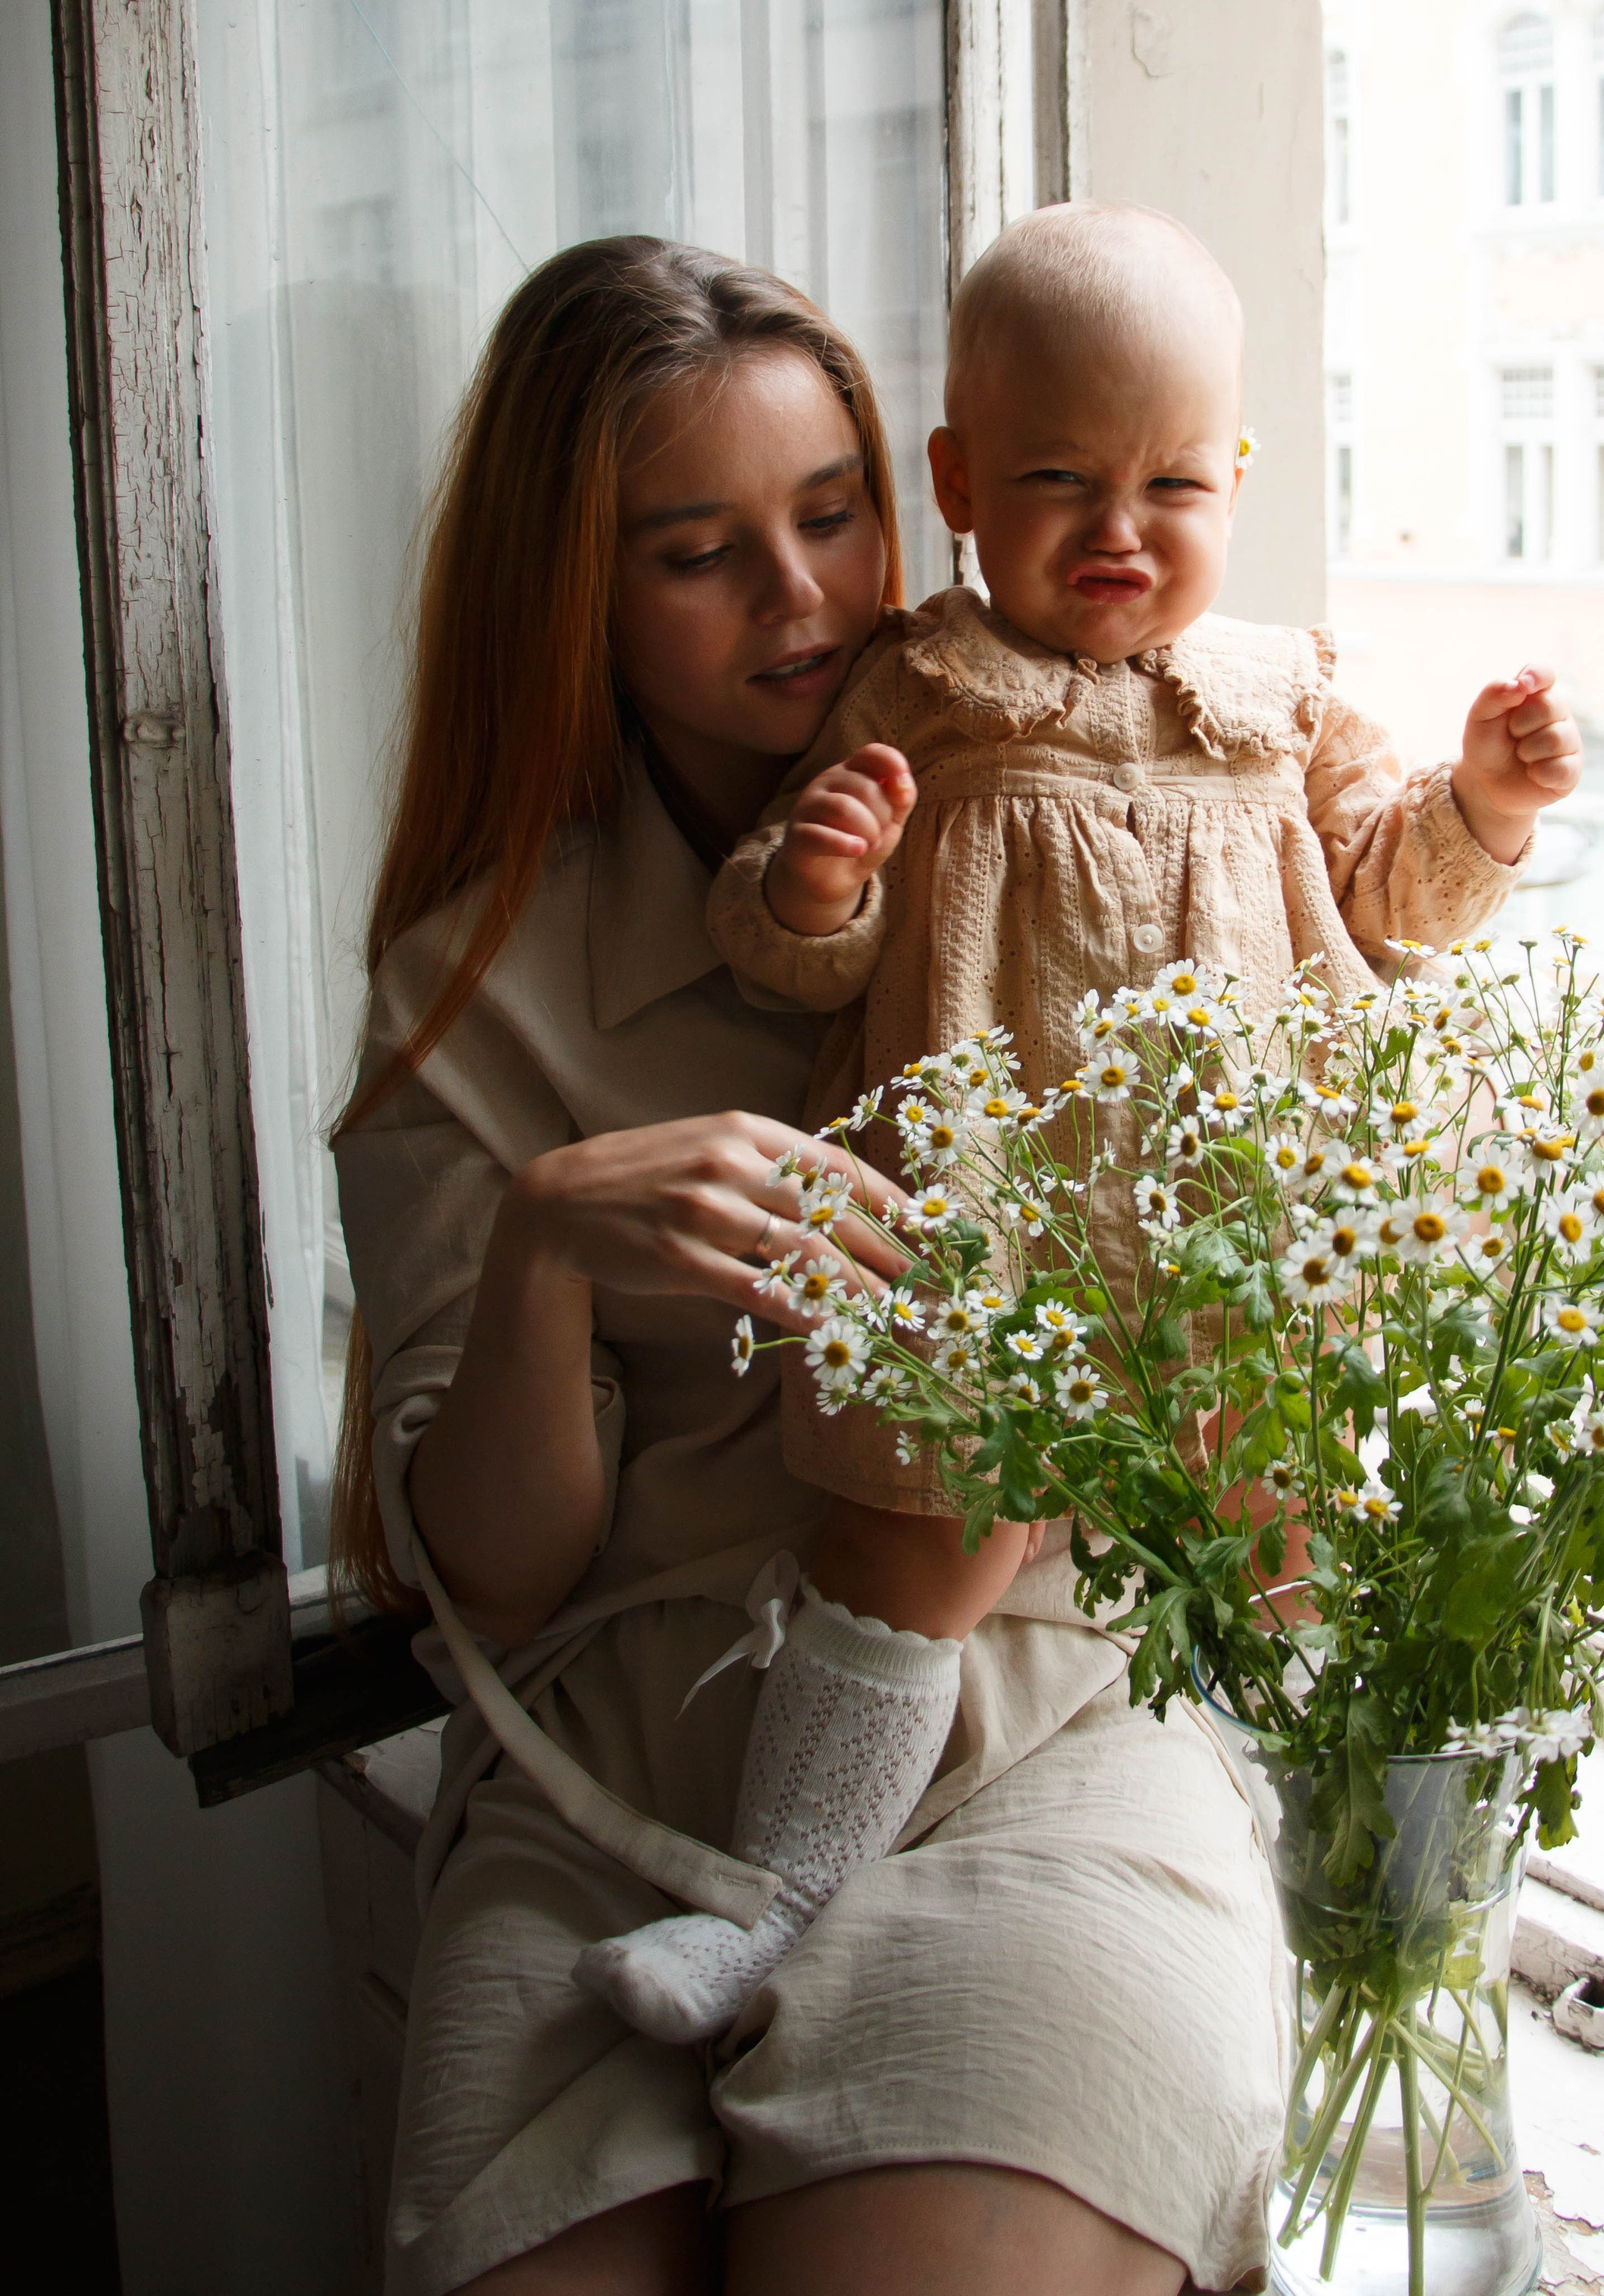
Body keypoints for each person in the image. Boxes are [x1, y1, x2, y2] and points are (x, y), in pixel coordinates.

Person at [331, 231, 1285, 2296]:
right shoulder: (473, 979)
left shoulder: (1086, 820)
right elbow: (490, 1570)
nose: (803, 600)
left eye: (831, 515)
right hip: (620, 1766)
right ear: (577, 588)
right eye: (697, 551)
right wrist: (540, 1250)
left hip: (1037, 1719)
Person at [584, 201, 1584, 2050]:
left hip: (1261, 1230)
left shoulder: (1281, 691)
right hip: (987, 1236)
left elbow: (1391, 900)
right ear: (957, 475)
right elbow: (782, 958)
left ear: (1238, 477)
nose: (1119, 531)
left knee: (1286, 1550)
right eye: (1058, 479)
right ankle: (769, 1906)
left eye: (1171, 485)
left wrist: (1484, 805)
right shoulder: (917, 685)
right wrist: (820, 885)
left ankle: (1333, 1918)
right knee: (909, 1554)